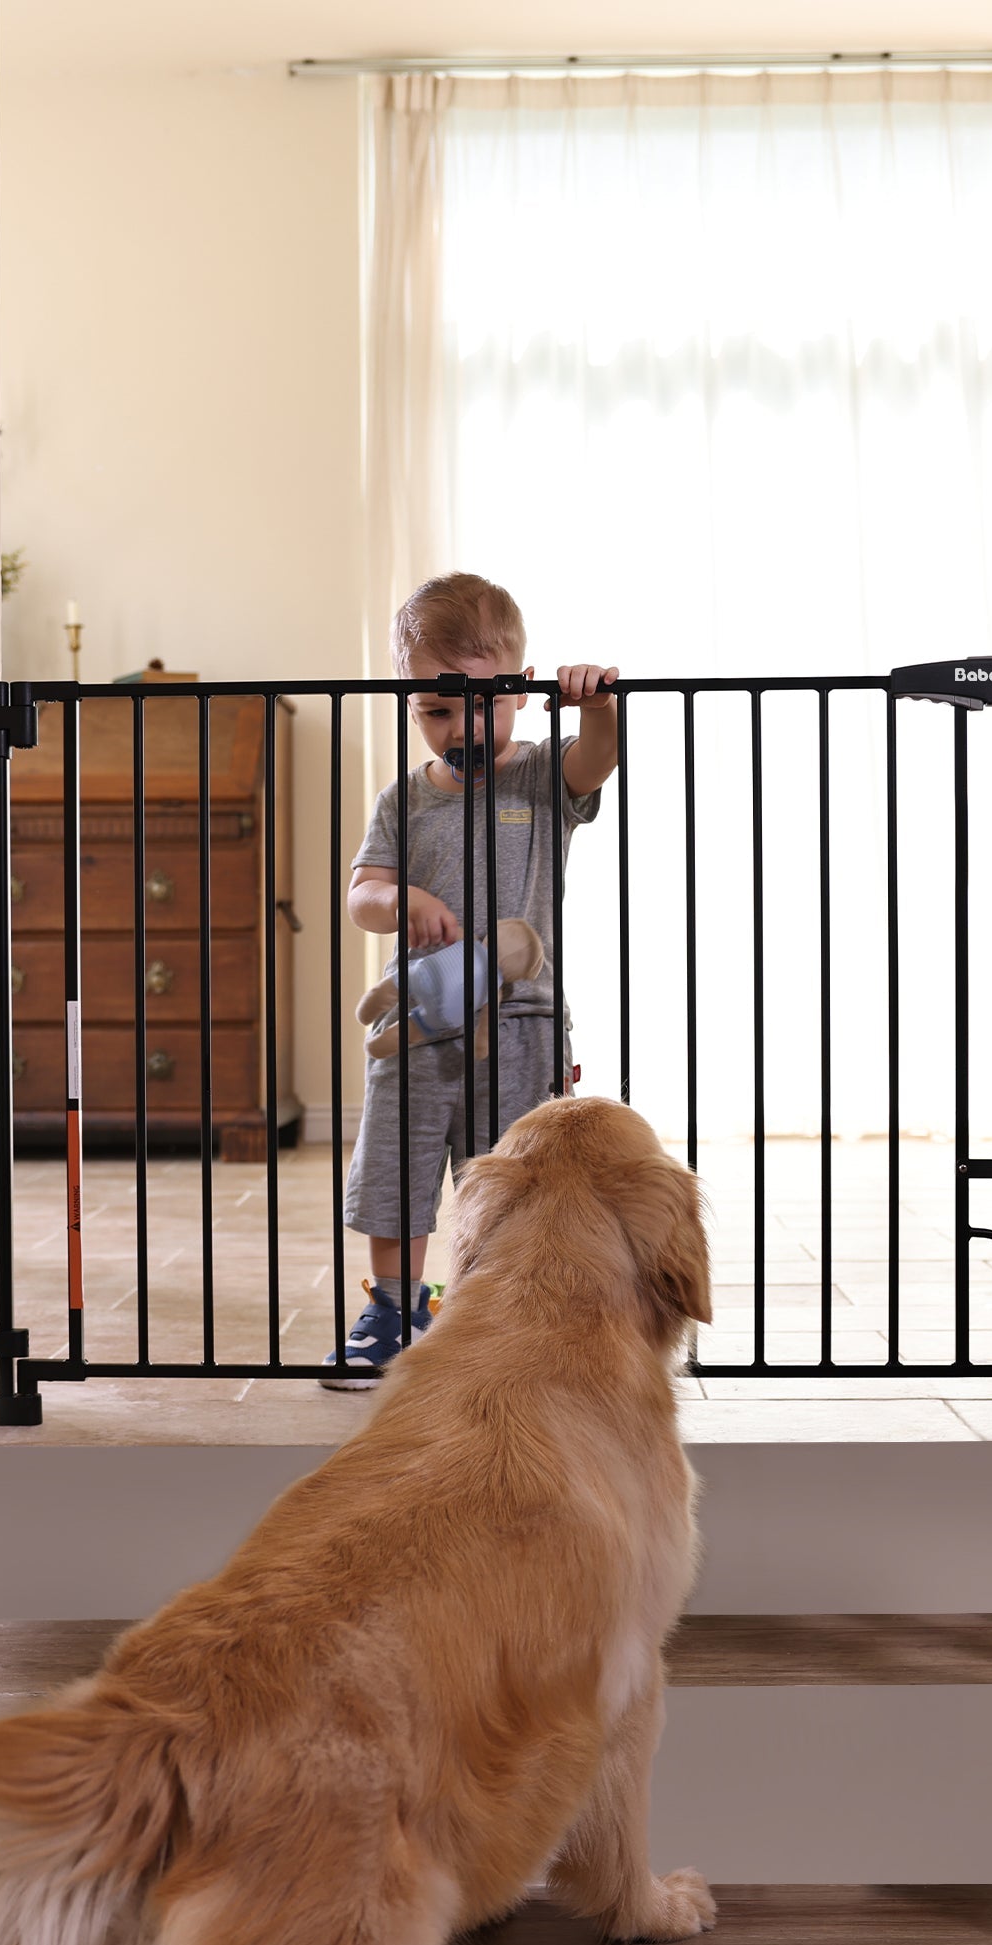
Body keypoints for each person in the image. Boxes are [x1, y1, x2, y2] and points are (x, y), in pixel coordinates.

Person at [321, 572, 619, 1389]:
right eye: (436, 711)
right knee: (397, 1166)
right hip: (418, 1022)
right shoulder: (403, 801)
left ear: (521, 690)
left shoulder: (542, 777)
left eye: (481, 705)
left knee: (513, 1176)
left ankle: (501, 1311)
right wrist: (401, 900)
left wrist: (597, 705)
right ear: (411, 706)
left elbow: (598, 759)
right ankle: (394, 1309)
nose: (460, 727)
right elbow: (362, 895)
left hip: (523, 1020)